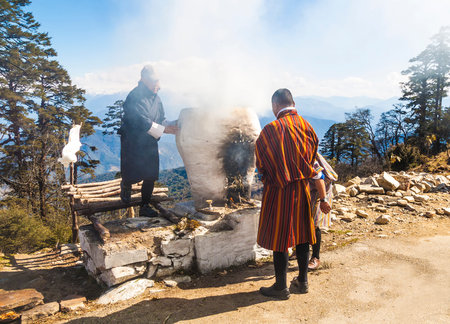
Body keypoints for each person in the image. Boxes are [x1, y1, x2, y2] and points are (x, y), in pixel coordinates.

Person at [255, 88, 328, 300]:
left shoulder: (270, 130)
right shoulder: (308, 127)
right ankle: (302, 282)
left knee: (280, 238)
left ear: (276, 105)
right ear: (293, 103)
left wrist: (271, 178)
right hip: (304, 190)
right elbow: (313, 159)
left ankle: (281, 287)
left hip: (279, 191)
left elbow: (261, 163)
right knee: (303, 235)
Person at [119, 65, 177, 217]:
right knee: (132, 171)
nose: (159, 86)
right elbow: (139, 120)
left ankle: (144, 206)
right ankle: (125, 184)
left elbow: (161, 117)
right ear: (144, 80)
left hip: (150, 139)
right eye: (155, 82)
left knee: (150, 174)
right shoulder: (134, 96)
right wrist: (163, 129)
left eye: (158, 82)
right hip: (133, 140)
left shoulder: (157, 98)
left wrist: (170, 124)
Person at [308, 154, 338, 270]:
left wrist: (323, 200)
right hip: (309, 189)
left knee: (314, 223)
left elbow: (319, 178)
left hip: (321, 191)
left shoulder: (310, 159)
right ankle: (298, 250)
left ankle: (315, 257)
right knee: (300, 220)